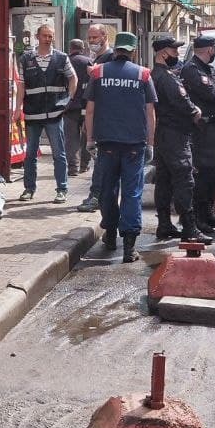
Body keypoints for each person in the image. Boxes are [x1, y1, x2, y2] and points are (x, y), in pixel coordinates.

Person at [86, 32, 157, 263]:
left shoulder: (98, 72)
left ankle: (109, 233)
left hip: (106, 143)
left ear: (115, 49)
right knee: (132, 193)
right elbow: (150, 113)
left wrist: (89, 140)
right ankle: (129, 247)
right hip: (134, 145)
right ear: (133, 50)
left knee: (107, 190)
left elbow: (90, 110)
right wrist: (150, 143)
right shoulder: (143, 74)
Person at [150, 36, 211, 244]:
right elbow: (183, 102)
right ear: (162, 53)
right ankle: (189, 228)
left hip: (162, 135)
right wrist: (195, 111)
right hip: (175, 135)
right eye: (173, 51)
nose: (176, 54)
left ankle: (165, 224)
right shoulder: (166, 78)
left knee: (164, 180)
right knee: (185, 180)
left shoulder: (155, 75)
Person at [15, 24, 77, 203]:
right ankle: (29, 189)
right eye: (45, 36)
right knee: (30, 154)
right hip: (33, 114)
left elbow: (73, 78)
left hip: (54, 114)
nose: (48, 39)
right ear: (37, 36)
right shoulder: (26, 59)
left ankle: (62, 189)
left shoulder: (61, 58)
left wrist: (68, 100)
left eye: (51, 36)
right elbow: (21, 85)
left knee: (59, 153)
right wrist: (18, 109)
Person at [183, 35, 215, 231]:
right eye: (214, 49)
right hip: (203, 130)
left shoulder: (207, 69)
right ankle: (198, 217)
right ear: (209, 50)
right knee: (202, 174)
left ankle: (209, 213)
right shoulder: (192, 69)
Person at [75, 23, 116, 212]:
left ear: (104, 36)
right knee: (98, 159)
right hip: (93, 116)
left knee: (101, 160)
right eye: (89, 38)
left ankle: (97, 195)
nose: (91, 42)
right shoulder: (95, 58)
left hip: (105, 118)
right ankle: (100, 195)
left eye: (95, 38)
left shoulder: (110, 58)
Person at [64, 38, 94, 176]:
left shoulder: (65, 61)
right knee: (87, 136)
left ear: (70, 48)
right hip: (86, 105)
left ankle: (73, 168)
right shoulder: (88, 62)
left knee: (71, 138)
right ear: (82, 48)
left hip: (69, 106)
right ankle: (84, 165)